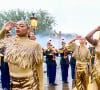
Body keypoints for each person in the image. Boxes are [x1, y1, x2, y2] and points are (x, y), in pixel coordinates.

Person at [0, 21, 43, 90]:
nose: (18, 27)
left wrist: (41, 88)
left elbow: (39, 68)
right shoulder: (9, 43)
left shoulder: (35, 45)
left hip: (29, 84)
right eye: (16, 26)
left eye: (21, 26)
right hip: (13, 84)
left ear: (28, 29)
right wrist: (4, 29)